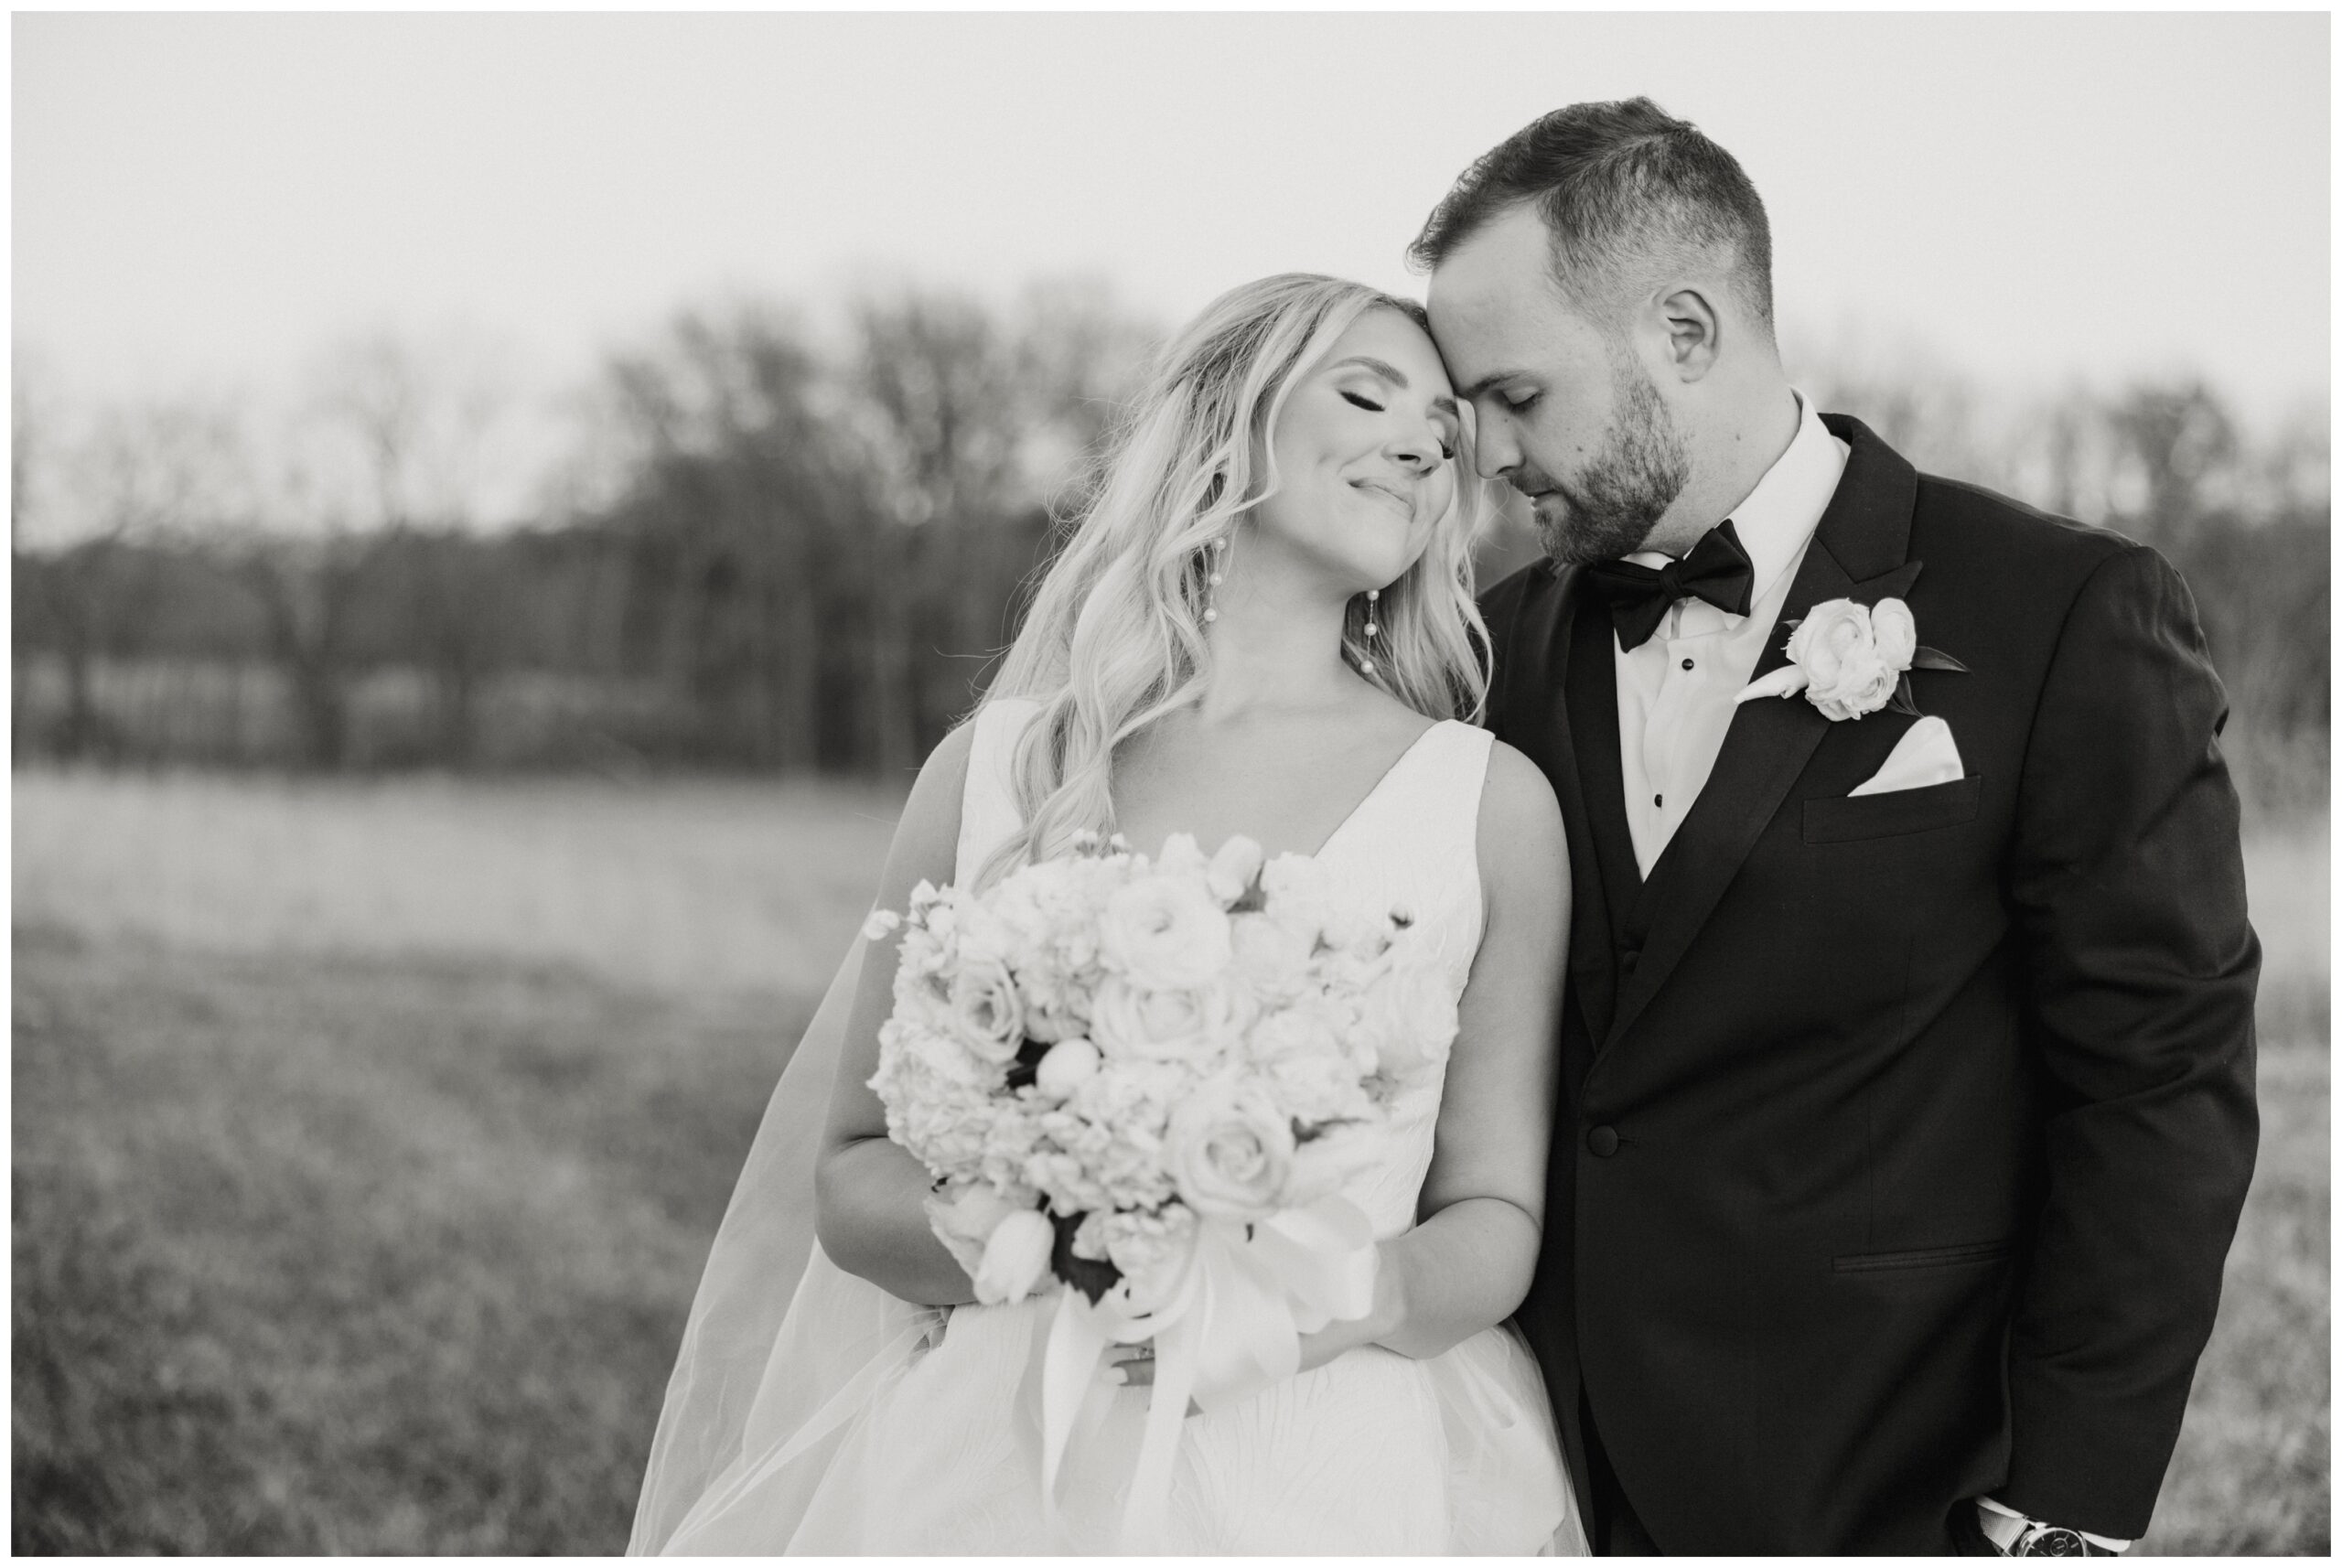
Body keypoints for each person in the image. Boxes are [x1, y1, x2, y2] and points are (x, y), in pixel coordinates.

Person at [1414, 98, 2261, 1555]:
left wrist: (2063, 1507)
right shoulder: (1485, 659)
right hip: (1536, 1476)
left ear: (1684, 331)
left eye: (1516, 395)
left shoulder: (2058, 613)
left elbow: (2159, 1083)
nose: (1488, 453)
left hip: (1896, 1476)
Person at [628, 274, 1589, 1554]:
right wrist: (1065, 1235)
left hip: (1318, 1463)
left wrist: (1338, 1300)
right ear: (1223, 423)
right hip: (995, 1454)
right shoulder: (1002, 771)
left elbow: (1496, 1213)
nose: (1422, 443)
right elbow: (854, 1172)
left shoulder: (1486, 804)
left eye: (1444, 433)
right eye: (1366, 394)